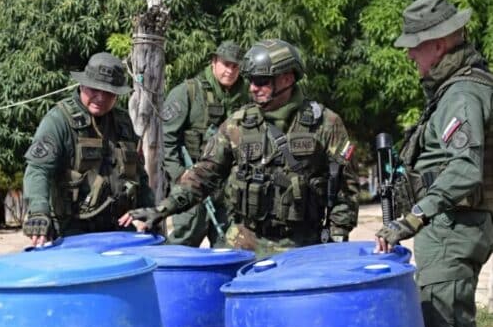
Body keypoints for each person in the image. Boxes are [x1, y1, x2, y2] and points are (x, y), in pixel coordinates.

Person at [120, 38, 359, 254]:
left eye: (262, 81)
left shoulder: (326, 123)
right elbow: (203, 175)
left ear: (288, 78)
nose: (253, 87)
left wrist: (337, 237)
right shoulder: (238, 124)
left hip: (303, 242)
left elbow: (346, 189)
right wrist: (161, 210)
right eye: (251, 80)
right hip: (245, 238)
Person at [375, 0, 493, 327]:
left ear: (439, 45)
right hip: (451, 227)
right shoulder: (458, 88)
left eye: (416, 46)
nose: (410, 54)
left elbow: (464, 168)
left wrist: (414, 217)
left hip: (452, 230)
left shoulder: (461, 94)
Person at [22, 52, 154, 246]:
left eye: (109, 92)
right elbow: (37, 170)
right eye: (94, 89)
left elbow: (140, 176)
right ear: (82, 84)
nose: (100, 97)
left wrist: (149, 211)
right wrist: (39, 212)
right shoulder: (58, 121)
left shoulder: (123, 123)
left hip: (118, 229)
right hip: (72, 231)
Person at [162, 40, 249, 247]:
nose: (230, 70)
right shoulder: (188, 92)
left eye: (235, 66)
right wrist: (180, 175)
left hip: (229, 190)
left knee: (229, 249)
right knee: (182, 247)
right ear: (214, 62)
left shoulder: (247, 96)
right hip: (193, 185)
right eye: (226, 64)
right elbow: (166, 138)